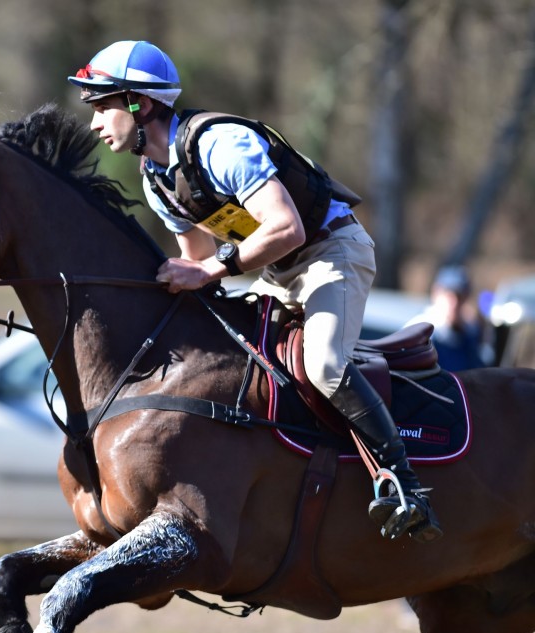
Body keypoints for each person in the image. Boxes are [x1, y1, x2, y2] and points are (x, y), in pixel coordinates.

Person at [67, 40, 442, 543]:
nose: (94, 122)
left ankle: (402, 483)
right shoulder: (157, 179)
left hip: (332, 253)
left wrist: (211, 271)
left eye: (104, 105)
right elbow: (195, 259)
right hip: (275, 270)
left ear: (141, 103)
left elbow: (286, 228)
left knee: (324, 366)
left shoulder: (219, 144)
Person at [410, 265, 492, 372]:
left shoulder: (468, 335)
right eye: (449, 296)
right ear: (436, 293)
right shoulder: (421, 334)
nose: (454, 303)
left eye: (460, 297)